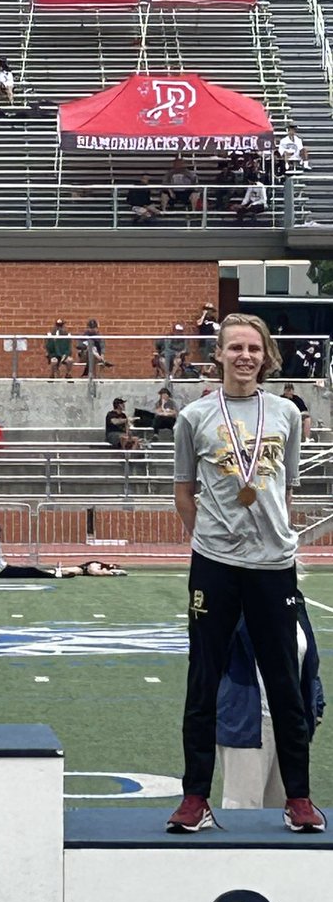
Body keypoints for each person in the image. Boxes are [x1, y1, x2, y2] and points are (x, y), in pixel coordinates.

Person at [167, 312, 324, 834]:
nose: (244, 356)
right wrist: (211, 538)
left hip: (273, 566)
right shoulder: (193, 416)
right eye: (235, 348)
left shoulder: (285, 413)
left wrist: (268, 535)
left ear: (266, 355)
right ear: (220, 354)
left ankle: (298, 799)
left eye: (253, 348)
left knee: (283, 682)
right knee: (203, 681)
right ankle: (195, 799)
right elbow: (184, 493)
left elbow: (286, 489)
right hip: (214, 566)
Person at [217, 598, 322, 809]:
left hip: (289, 725)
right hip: (247, 721)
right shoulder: (235, 603)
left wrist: (315, 701)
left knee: (286, 813)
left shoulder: (296, 602)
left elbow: (306, 660)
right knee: (244, 809)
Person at [0, 524, 66, 579]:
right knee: (31, 571)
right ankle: (54, 576)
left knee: (29, 571)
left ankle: (53, 574)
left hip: (2, 569)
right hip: (2, 570)